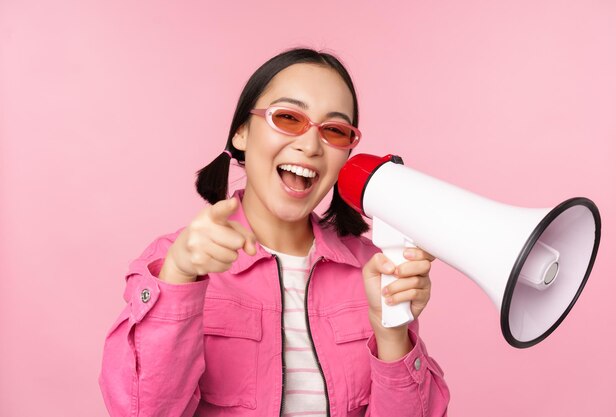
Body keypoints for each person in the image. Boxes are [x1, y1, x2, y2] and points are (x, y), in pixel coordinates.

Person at [99, 48, 450, 417]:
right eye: (287, 117)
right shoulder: (174, 262)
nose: (311, 145)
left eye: (334, 130)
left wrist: (391, 332)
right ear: (241, 133)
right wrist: (179, 281)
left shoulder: (373, 269)